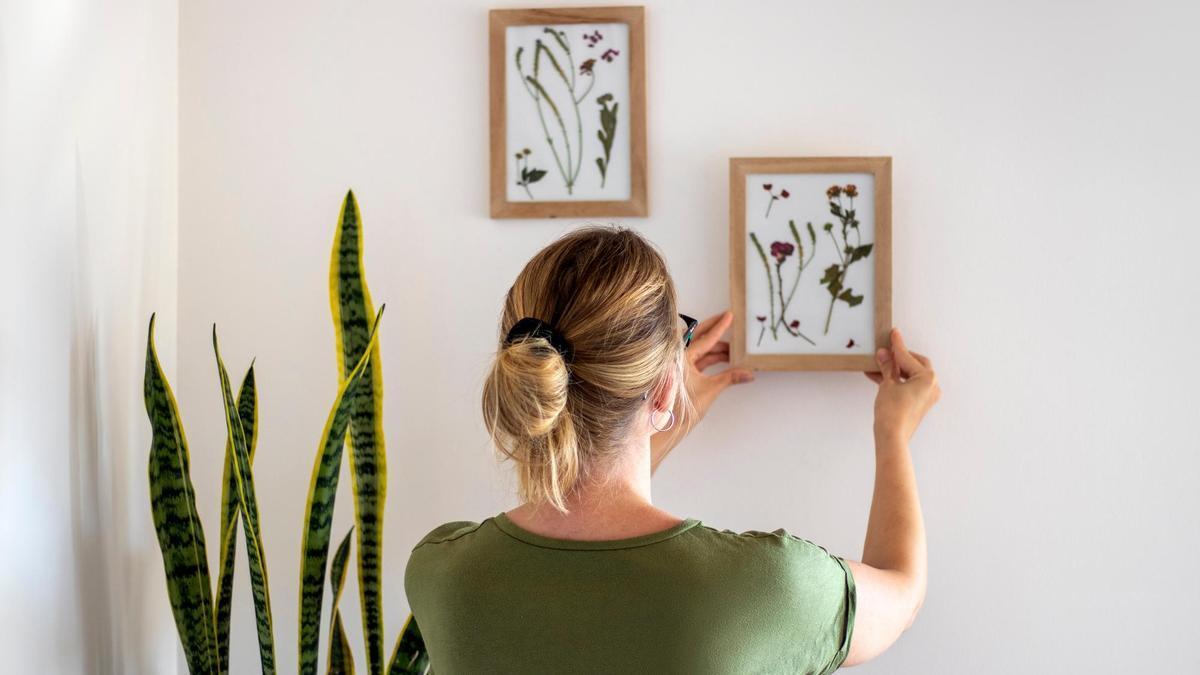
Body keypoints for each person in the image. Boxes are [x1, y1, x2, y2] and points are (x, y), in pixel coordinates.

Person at [404, 226, 940, 673]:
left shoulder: (442, 573)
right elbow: (902, 593)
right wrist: (892, 430)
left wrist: (665, 417)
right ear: (663, 389)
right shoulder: (765, 586)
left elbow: (585, 549)